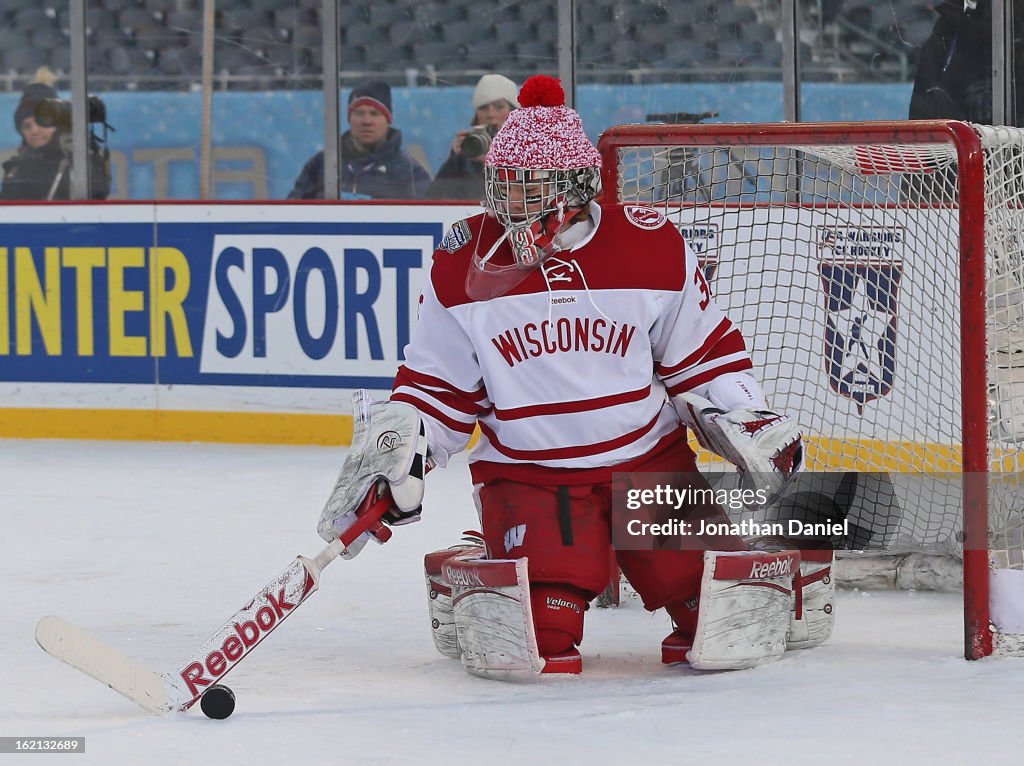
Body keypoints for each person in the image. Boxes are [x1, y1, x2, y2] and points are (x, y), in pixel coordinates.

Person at [318, 76, 831, 677]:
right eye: (505, 186)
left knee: (715, 615)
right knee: (541, 639)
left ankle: (747, 572)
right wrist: (402, 455)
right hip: (533, 476)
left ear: (579, 186)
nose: (514, 203)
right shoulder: (463, 263)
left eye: (531, 187)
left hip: (645, 464)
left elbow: (701, 353)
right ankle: (472, 569)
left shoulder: (650, 246)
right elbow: (438, 385)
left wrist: (742, 413)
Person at [287, 79, 430, 200]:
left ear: (388, 120)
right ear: (349, 119)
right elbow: (292, 213)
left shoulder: (408, 170)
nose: (366, 121)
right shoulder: (322, 163)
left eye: (375, 114)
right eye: (359, 113)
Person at [1, 68, 110, 201]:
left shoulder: (82, 155)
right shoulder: (17, 167)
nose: (34, 131)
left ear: (58, 123)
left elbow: (98, 192)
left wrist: (83, 150)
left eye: (41, 122)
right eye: (27, 126)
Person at [427, 74, 519, 201]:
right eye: (483, 108)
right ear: (476, 115)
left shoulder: (532, 153)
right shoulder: (465, 159)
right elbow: (434, 202)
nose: (491, 114)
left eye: (499, 107)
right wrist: (454, 160)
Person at [909, 0, 1002, 123]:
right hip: (944, 134)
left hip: (991, 134)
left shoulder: (1004, 22)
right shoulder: (945, 22)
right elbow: (924, 89)